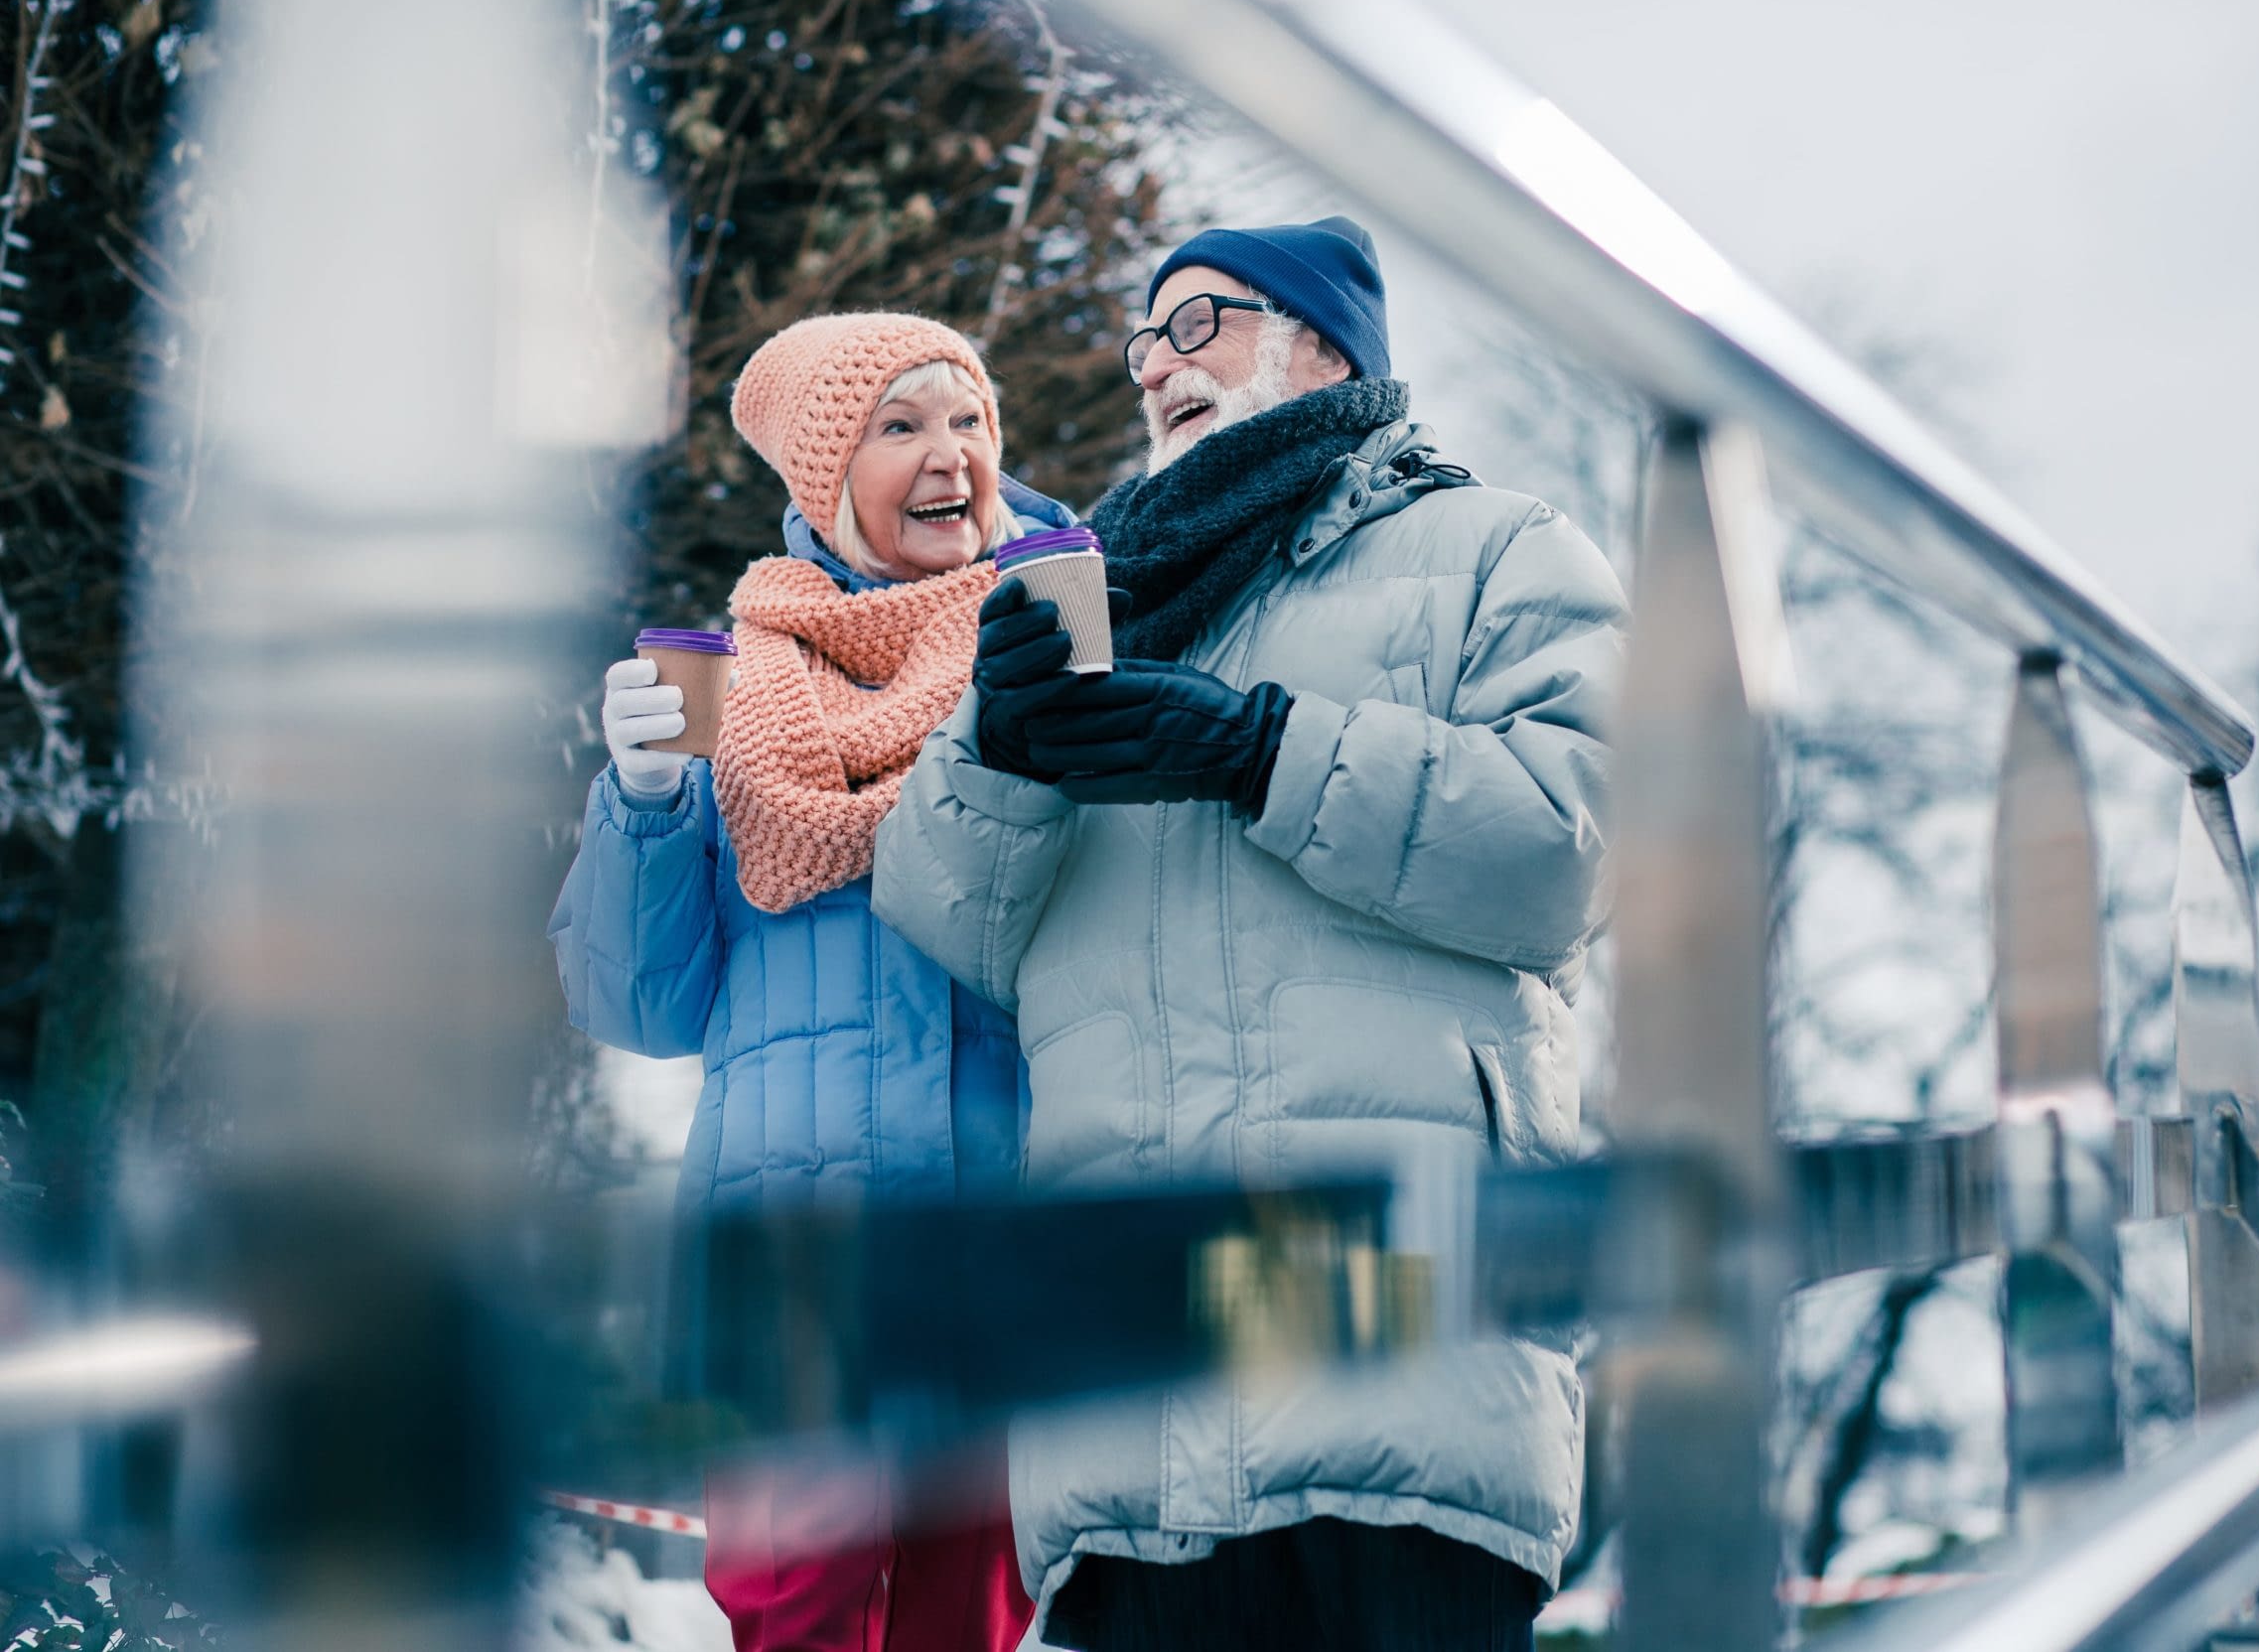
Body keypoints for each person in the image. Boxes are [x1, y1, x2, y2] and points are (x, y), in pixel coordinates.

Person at [872, 218, 1627, 1650]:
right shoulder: (1086, 602)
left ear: (1326, 343)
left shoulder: (1496, 549)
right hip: (1130, 1412)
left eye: (1199, 323)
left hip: (1409, 1365)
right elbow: (950, 924)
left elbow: (1575, 847)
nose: (1158, 364)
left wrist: (1266, 752)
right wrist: (997, 747)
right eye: (1144, 337)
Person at [549, 312, 1056, 1652]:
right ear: (820, 480)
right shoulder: (739, 697)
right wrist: (646, 803)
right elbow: (634, 1006)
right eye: (901, 425)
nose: (951, 453)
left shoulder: (1047, 645)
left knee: (968, 1624)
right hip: (791, 1273)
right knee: (800, 1620)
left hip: (994, 1243)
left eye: (969, 420)